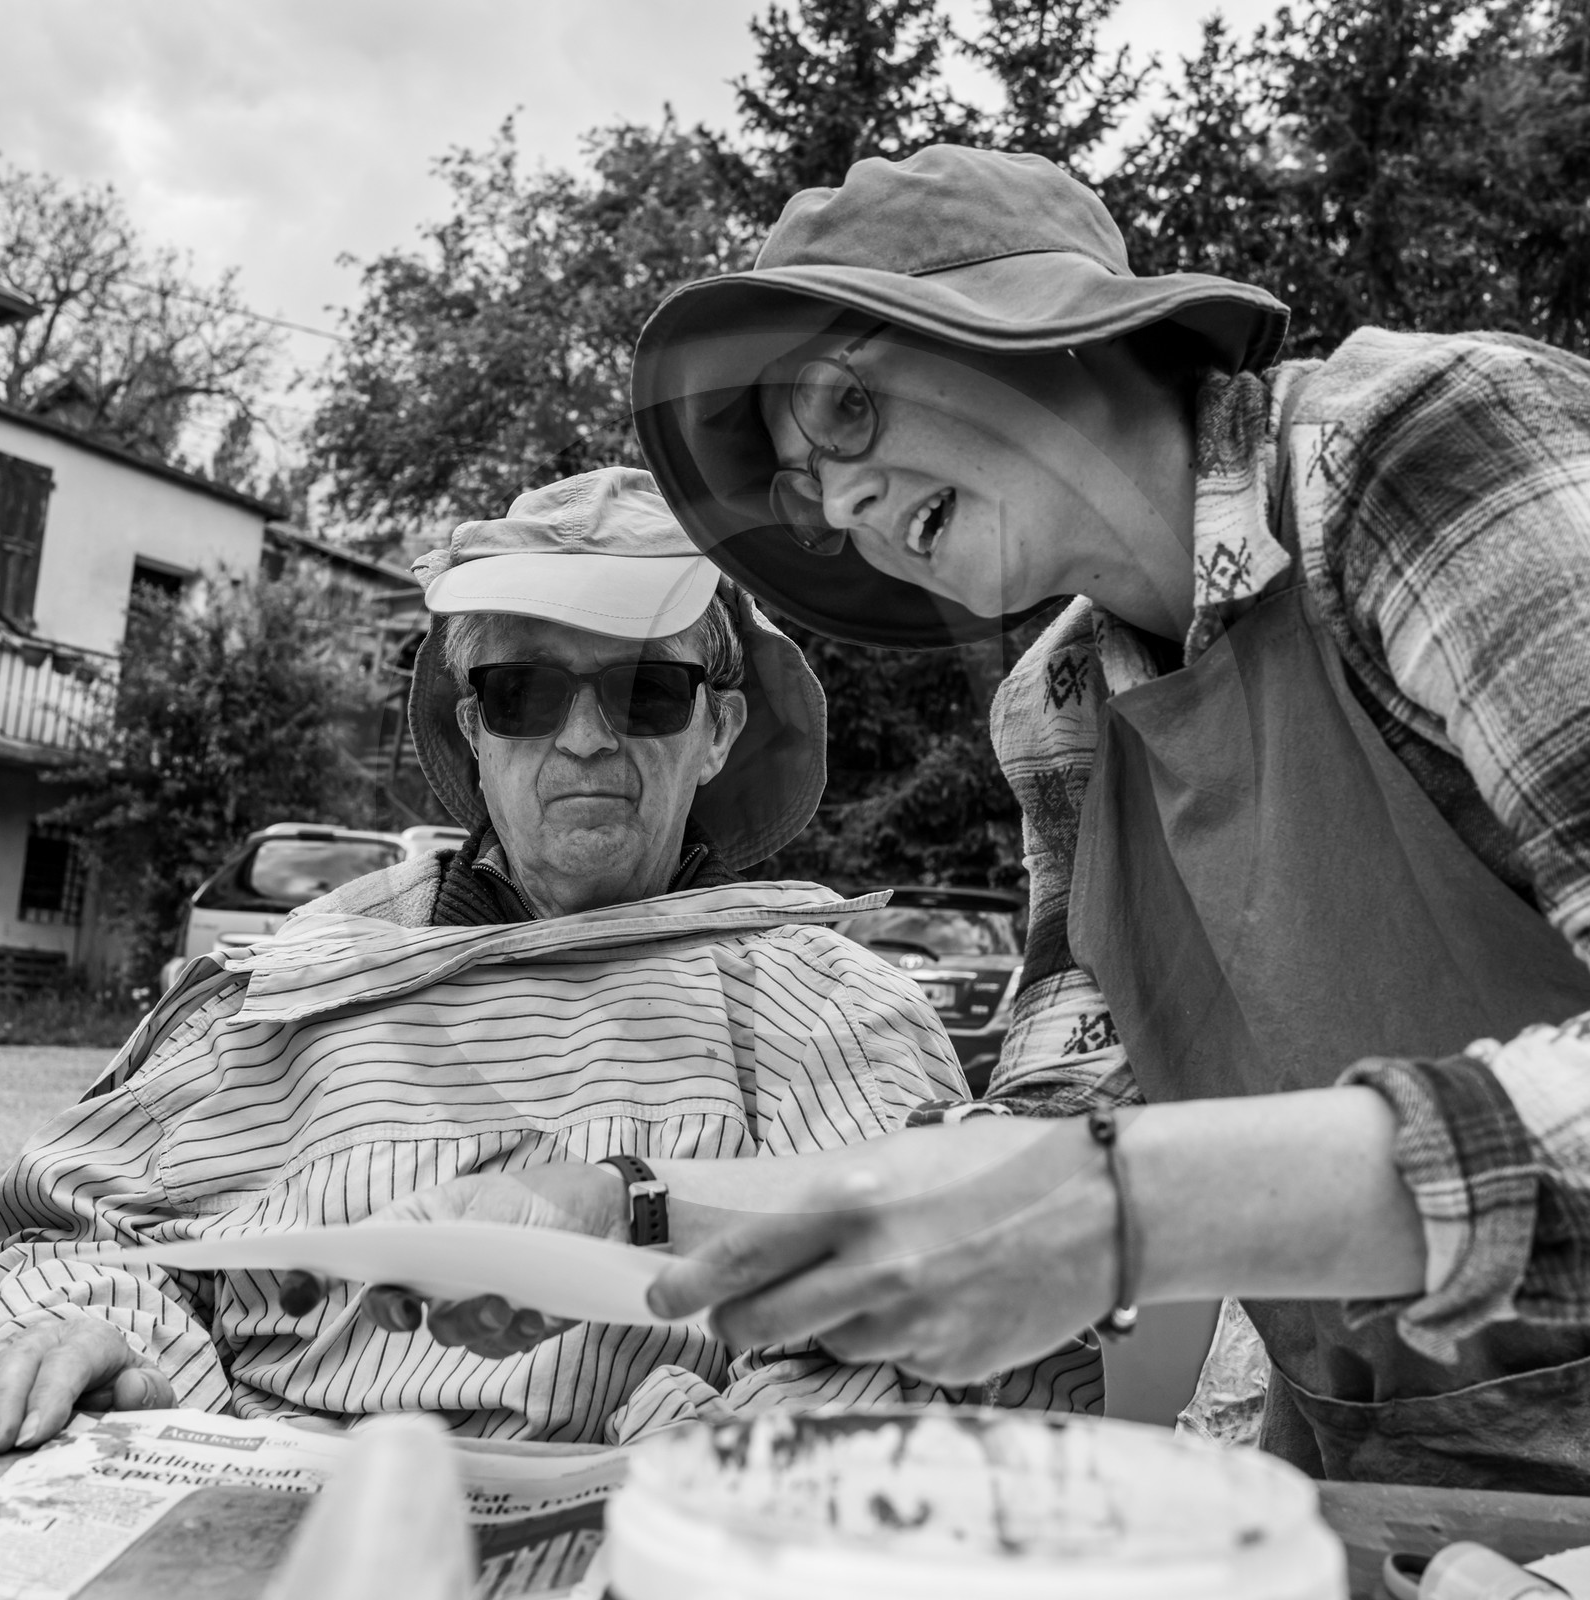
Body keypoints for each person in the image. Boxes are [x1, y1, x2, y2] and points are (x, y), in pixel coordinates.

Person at [616, 145, 1590, 1491]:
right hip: (1378, 1501)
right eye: (802, 490)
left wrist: (1131, 1206)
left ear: (1053, 325)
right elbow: (1044, 1143)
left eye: (844, 408)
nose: (838, 504)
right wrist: (631, 1215)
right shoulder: (1058, 713)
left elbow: (1089, 1191)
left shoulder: (1419, 452)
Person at [0, 467, 1099, 1454]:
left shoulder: (828, 1011)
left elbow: (962, 1315)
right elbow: (65, 1230)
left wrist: (715, 1454)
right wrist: (113, 1340)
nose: (584, 737)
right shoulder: (288, 981)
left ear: (716, 731)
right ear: (474, 729)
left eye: (646, 690)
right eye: (524, 692)